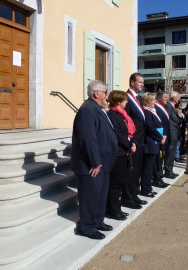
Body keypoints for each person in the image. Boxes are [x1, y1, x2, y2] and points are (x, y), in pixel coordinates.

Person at [71, 80, 118, 240]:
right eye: (105, 92)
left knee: (100, 195)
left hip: (102, 163)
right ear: (97, 93)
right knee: (90, 197)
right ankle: (87, 227)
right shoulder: (87, 110)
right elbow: (88, 139)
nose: (106, 94)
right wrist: (95, 162)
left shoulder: (96, 108)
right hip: (91, 164)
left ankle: (97, 221)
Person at [106, 90, 136, 221]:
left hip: (124, 152)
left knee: (119, 183)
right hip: (118, 153)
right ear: (118, 101)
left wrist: (132, 143)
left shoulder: (122, 115)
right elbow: (118, 135)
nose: (127, 101)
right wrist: (130, 145)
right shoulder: (112, 115)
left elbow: (128, 133)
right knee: (115, 184)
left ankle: (116, 208)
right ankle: (113, 210)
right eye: (125, 100)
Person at [122, 73, 147, 210]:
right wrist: (130, 140)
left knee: (137, 171)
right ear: (132, 82)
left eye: (143, 82)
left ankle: (134, 194)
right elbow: (126, 121)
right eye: (140, 82)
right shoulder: (126, 97)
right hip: (133, 141)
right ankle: (127, 197)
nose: (142, 84)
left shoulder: (138, 98)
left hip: (141, 140)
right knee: (131, 171)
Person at [141, 93, 167, 197]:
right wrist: (160, 137)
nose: (155, 102)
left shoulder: (151, 111)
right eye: (153, 100)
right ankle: (146, 189)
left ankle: (148, 187)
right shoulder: (147, 112)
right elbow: (150, 127)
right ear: (147, 101)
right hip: (150, 143)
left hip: (154, 142)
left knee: (150, 167)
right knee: (147, 168)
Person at [153, 91, 170, 188]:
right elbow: (158, 123)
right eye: (165, 97)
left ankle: (159, 177)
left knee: (160, 159)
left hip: (164, 137)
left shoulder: (163, 107)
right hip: (160, 138)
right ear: (159, 97)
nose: (167, 99)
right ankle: (157, 178)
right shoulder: (156, 107)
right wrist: (161, 136)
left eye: (168, 97)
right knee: (158, 160)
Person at [163, 91, 181, 179]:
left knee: (172, 153)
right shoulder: (169, 106)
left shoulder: (172, 106)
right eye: (178, 97)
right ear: (173, 98)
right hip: (171, 133)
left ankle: (170, 170)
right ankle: (168, 171)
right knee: (170, 153)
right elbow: (167, 119)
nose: (179, 99)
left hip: (174, 132)